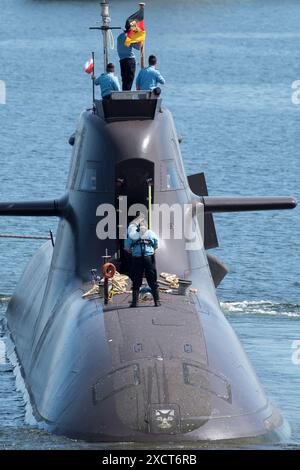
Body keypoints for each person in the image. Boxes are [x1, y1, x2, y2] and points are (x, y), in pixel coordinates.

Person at [124, 214, 161, 308]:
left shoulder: (133, 235)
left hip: (137, 259)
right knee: (152, 279)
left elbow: (127, 247)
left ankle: (135, 303)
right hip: (149, 258)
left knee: (136, 280)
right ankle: (157, 302)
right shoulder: (150, 233)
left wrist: (134, 251)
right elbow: (156, 245)